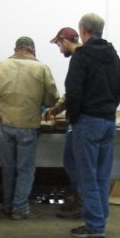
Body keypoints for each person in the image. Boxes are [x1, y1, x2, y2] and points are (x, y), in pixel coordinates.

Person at [63, 13, 120, 238]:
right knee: (101, 175)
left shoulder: (81, 56)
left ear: (82, 30)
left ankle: (95, 226)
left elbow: (73, 92)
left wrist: (74, 118)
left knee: (86, 175)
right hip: (108, 122)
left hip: (87, 122)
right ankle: (100, 217)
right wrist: (108, 108)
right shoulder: (113, 55)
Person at [0, 36, 59, 219]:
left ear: (16, 49)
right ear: (33, 51)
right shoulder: (41, 68)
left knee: (8, 168)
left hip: (5, 124)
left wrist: (5, 105)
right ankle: (20, 208)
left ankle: (8, 205)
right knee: (25, 169)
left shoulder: (1, 66)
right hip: (28, 125)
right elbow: (52, 99)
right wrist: (39, 103)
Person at [46, 26, 82, 219]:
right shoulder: (86, 58)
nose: (60, 50)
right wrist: (56, 110)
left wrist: (56, 109)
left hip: (80, 122)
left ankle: (79, 203)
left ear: (65, 41)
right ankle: (80, 201)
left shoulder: (79, 59)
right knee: (76, 163)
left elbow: (72, 93)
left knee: (74, 163)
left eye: (59, 45)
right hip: (85, 121)